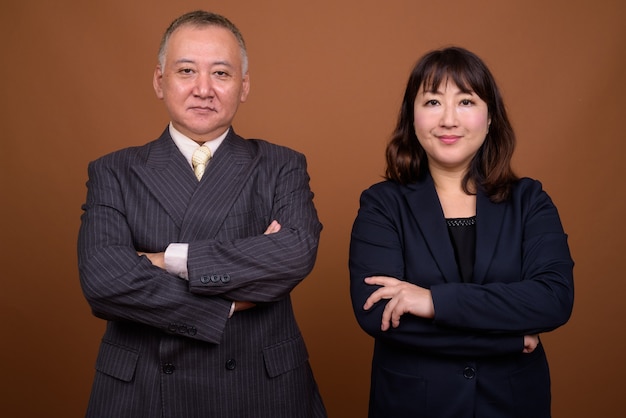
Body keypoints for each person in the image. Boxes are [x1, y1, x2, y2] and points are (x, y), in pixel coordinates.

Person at [78, 10, 326, 418]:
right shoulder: (113, 171)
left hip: (259, 387)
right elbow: (104, 280)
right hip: (144, 390)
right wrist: (225, 305)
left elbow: (294, 253)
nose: (204, 89)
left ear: (244, 86)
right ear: (160, 81)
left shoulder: (282, 164)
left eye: (222, 74)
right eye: (187, 70)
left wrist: (169, 259)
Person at [349, 47, 574, 418]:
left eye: (466, 101)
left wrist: (433, 302)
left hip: (512, 404)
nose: (449, 119)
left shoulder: (530, 200)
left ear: (489, 119)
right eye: (433, 101)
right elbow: (378, 316)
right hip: (413, 405)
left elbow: (553, 299)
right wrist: (510, 338)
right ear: (412, 117)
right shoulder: (382, 205)